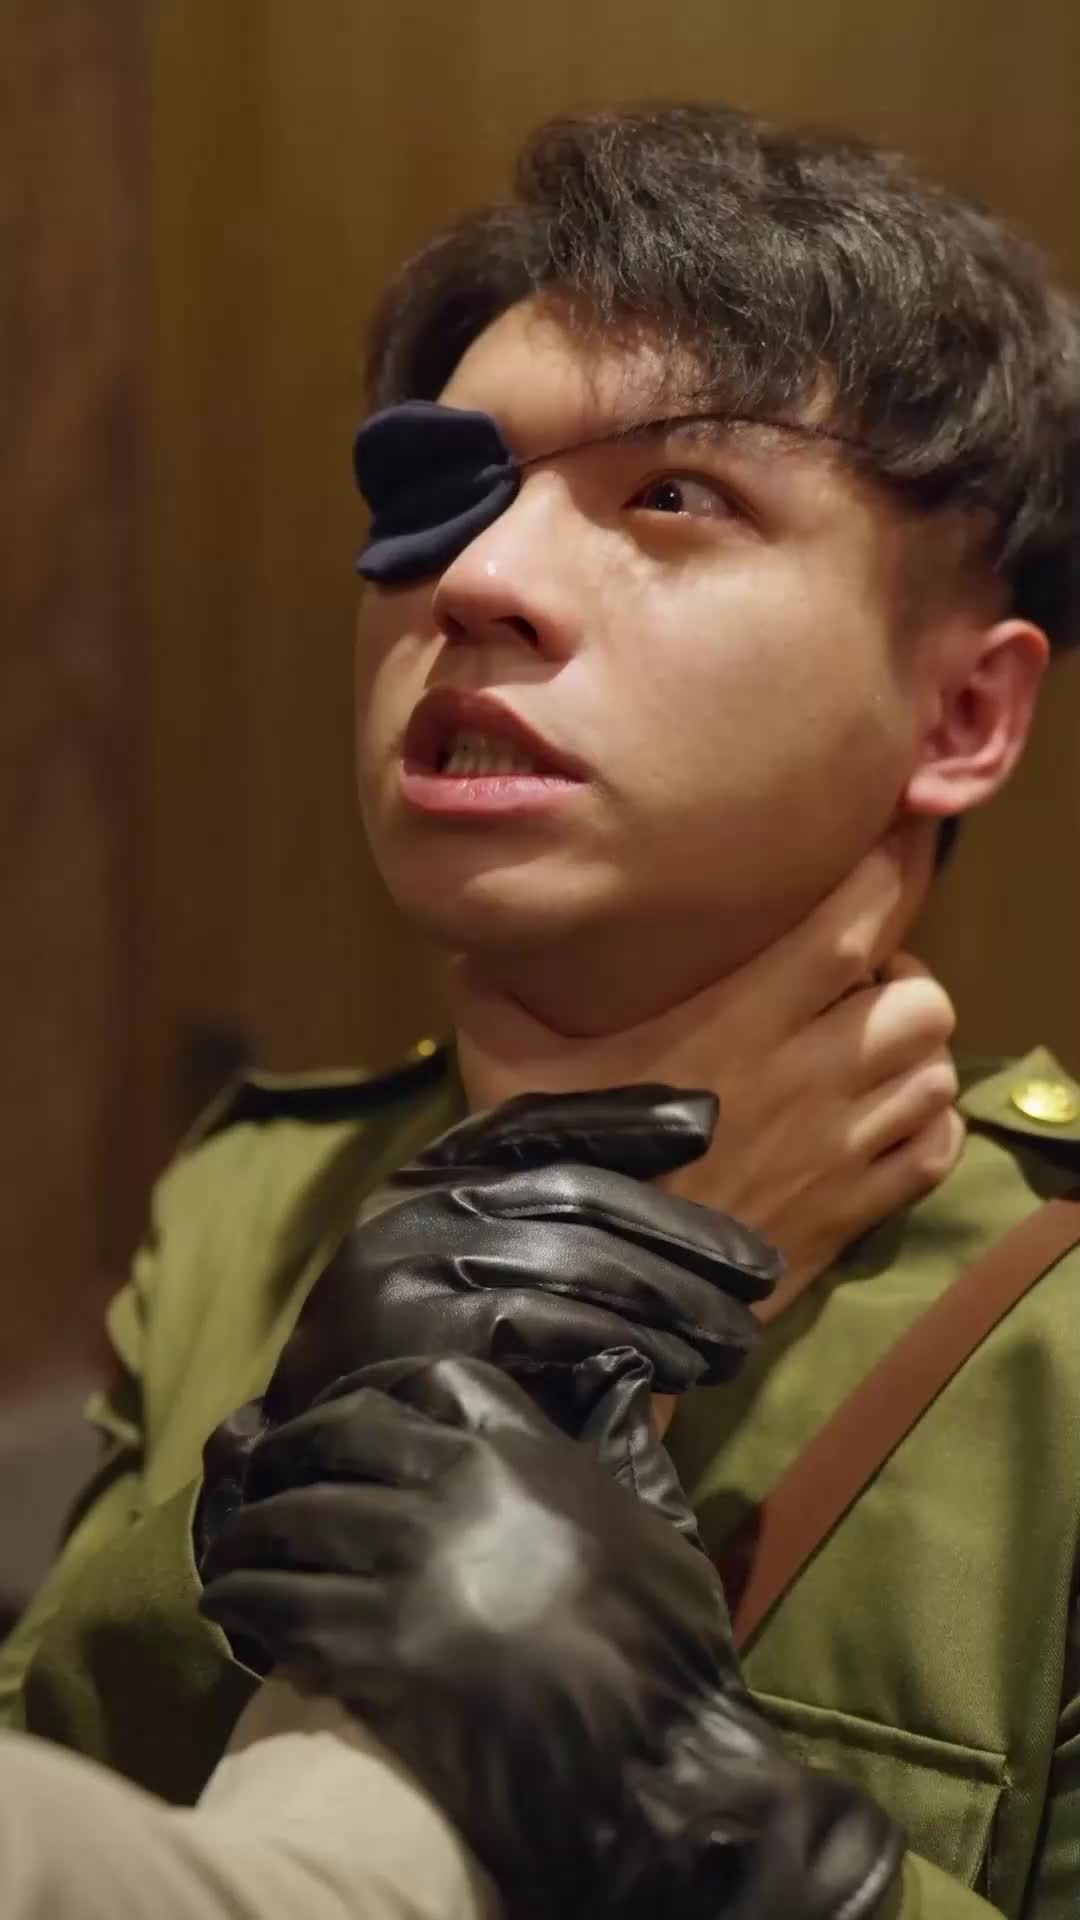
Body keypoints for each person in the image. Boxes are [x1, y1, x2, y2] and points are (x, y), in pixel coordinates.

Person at [1, 101, 1078, 1918]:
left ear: (962, 715)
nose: (475, 578)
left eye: (675, 495)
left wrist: (757, 1859)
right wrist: (253, 1520)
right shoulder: (256, 1199)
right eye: (437, 493)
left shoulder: (1053, 1336)